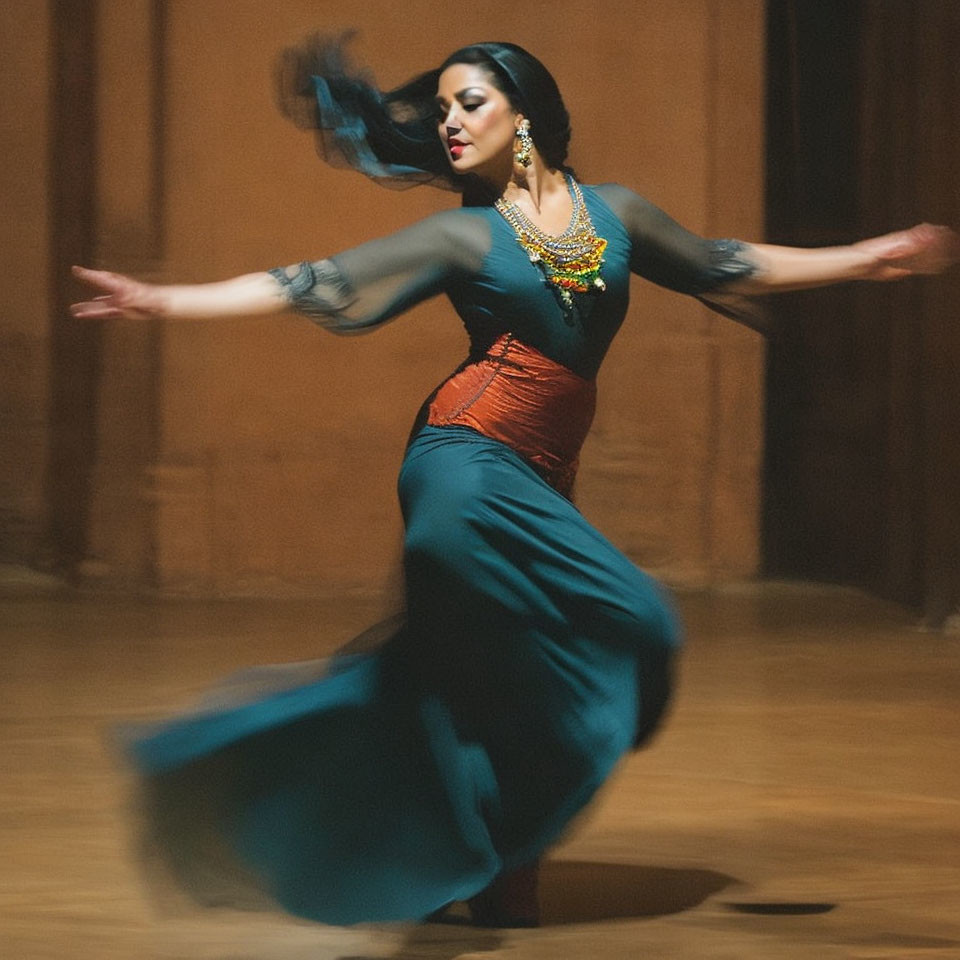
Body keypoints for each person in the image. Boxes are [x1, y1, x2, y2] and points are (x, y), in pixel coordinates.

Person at [71, 37, 959, 928]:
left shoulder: (616, 215)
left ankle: (486, 865)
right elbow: (318, 281)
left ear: (525, 112)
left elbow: (725, 263)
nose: (450, 122)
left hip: (540, 478)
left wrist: (870, 256)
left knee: (493, 683)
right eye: (445, 108)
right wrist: (160, 302)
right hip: (464, 469)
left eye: (470, 104)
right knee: (635, 621)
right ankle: (466, 849)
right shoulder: (464, 235)